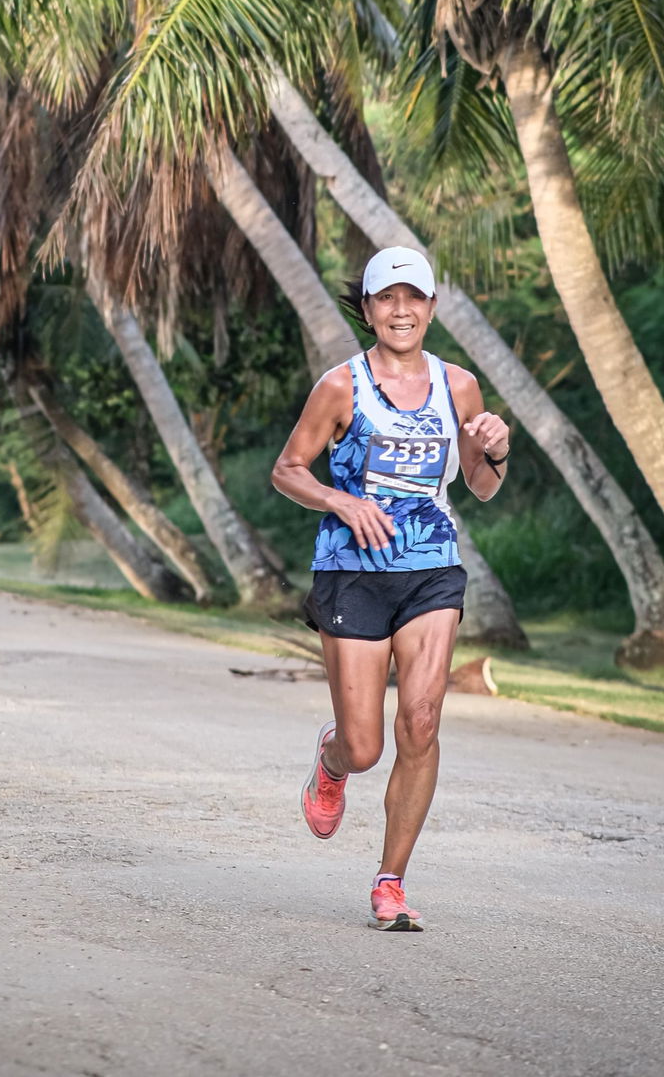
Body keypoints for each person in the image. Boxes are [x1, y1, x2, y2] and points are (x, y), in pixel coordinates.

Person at [270, 246, 510, 931]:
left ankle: (390, 882)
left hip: (431, 565)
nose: (401, 310)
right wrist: (340, 502)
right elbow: (288, 469)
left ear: (432, 307)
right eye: (386, 298)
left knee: (424, 721)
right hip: (351, 568)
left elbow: (481, 485)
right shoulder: (339, 385)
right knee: (366, 745)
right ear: (369, 308)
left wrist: (495, 445)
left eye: (415, 298)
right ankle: (332, 758)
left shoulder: (458, 385)